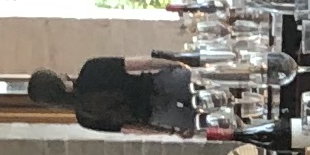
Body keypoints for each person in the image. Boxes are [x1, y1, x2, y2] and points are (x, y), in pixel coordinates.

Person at [28, 58, 201, 136]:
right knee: (213, 84)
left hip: (157, 115)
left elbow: (131, 128)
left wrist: (168, 131)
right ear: (57, 80)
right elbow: (138, 63)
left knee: (208, 121)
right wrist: (172, 63)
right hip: (160, 84)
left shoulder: (85, 119)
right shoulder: (91, 69)